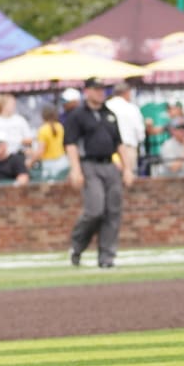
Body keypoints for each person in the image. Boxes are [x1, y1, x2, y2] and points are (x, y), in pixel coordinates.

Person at [64, 77, 134, 269]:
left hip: (110, 164)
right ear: (87, 91)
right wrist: (75, 169)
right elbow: (70, 144)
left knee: (113, 211)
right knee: (95, 210)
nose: (100, 92)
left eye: (102, 89)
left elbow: (120, 144)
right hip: (89, 165)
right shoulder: (77, 115)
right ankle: (77, 245)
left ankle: (107, 257)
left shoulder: (109, 114)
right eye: (96, 89)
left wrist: (127, 168)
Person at [105, 82, 145, 174]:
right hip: (127, 148)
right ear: (126, 92)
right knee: (129, 181)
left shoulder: (105, 106)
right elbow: (140, 134)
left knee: (110, 182)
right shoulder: (132, 108)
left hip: (108, 151)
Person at [0, 93, 33, 158]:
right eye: (11, 104)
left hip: (17, 156)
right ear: (3, 105)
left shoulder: (20, 120)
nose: (14, 106)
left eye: (14, 104)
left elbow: (29, 139)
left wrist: (17, 140)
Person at [32, 103, 68, 180]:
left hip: (49, 164)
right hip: (63, 161)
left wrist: (30, 161)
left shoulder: (43, 129)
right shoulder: (59, 126)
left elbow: (41, 150)